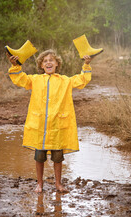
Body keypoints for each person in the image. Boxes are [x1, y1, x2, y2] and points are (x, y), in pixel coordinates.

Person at [7, 49, 92, 193]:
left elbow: (82, 79)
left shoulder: (65, 80)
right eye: (45, 61)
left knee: (58, 158)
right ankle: (39, 184)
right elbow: (20, 78)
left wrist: (86, 64)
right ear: (41, 65)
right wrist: (15, 65)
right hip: (40, 128)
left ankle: (58, 184)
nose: (48, 63)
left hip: (58, 127)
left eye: (51, 60)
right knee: (39, 157)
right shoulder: (35, 80)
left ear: (57, 63)